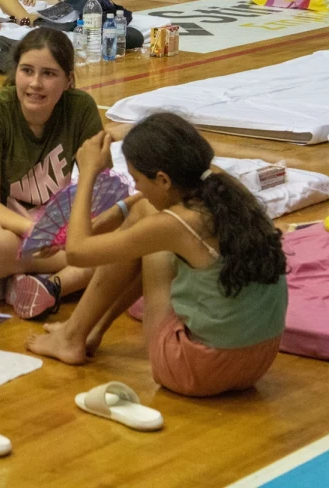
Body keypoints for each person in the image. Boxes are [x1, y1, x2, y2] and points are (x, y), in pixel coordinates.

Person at [27, 115, 289, 398]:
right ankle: (86, 331)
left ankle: (72, 337)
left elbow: (78, 253)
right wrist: (108, 215)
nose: (136, 188)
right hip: (257, 362)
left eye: (137, 179)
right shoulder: (219, 184)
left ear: (163, 179)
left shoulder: (175, 225)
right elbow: (145, 195)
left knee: (150, 239)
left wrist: (88, 172)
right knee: (144, 214)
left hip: (198, 370)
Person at [0, 29, 101, 319]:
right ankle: (71, 271)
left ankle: (33, 282)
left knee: (125, 226)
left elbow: (101, 190)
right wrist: (38, 234)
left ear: (68, 80)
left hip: (52, 228)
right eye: (27, 71)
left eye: (49, 74)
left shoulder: (81, 109)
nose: (35, 84)